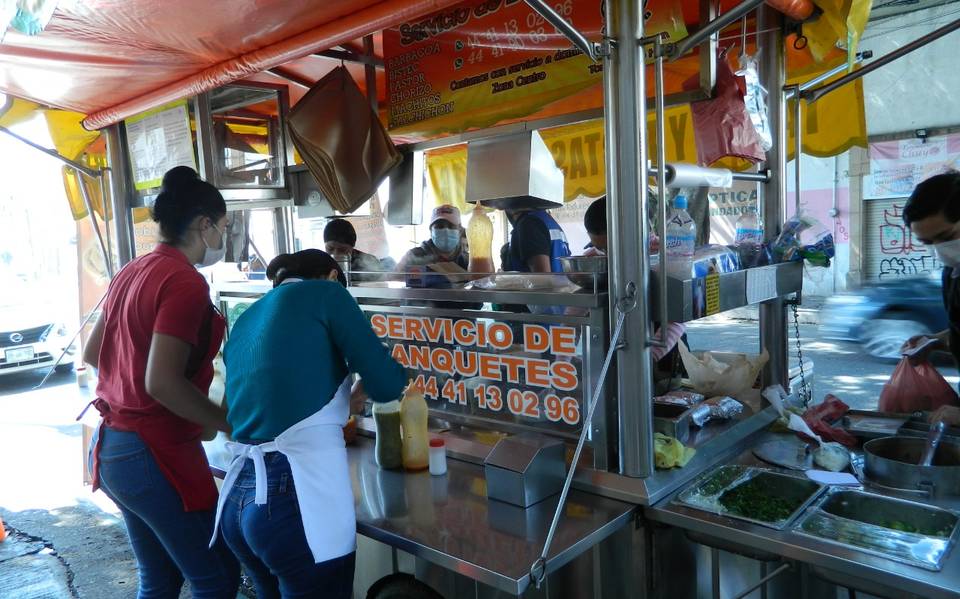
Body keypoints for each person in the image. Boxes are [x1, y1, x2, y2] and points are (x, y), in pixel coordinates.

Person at [82, 166, 239, 599]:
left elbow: (93, 355)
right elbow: (163, 383)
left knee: (160, 579)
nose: (223, 237)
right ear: (205, 224)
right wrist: (232, 423)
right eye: (223, 227)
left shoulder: (134, 269)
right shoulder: (185, 283)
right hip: (155, 453)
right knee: (216, 578)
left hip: (114, 449)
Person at [215, 249, 406, 599]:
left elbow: (246, 411)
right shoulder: (329, 294)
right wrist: (388, 371)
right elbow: (387, 385)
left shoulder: (248, 317)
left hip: (239, 498)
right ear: (334, 276)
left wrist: (341, 401)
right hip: (296, 501)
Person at [901, 171, 960, 426]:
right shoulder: (954, 271)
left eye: (946, 238)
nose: (940, 249)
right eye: (928, 242)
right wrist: (935, 341)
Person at [396, 204, 469, 273]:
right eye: (439, 226)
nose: (446, 230)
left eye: (451, 226)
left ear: (459, 230)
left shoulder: (468, 261)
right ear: (431, 231)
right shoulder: (413, 256)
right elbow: (393, 280)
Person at [501, 206, 571, 273]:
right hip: (561, 284)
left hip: (547, 285)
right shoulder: (548, 220)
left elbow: (542, 278)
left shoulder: (528, 223)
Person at [323, 217, 384, 282]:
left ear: (352, 247)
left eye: (342, 250)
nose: (335, 254)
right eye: (330, 249)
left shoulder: (370, 263)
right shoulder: (320, 263)